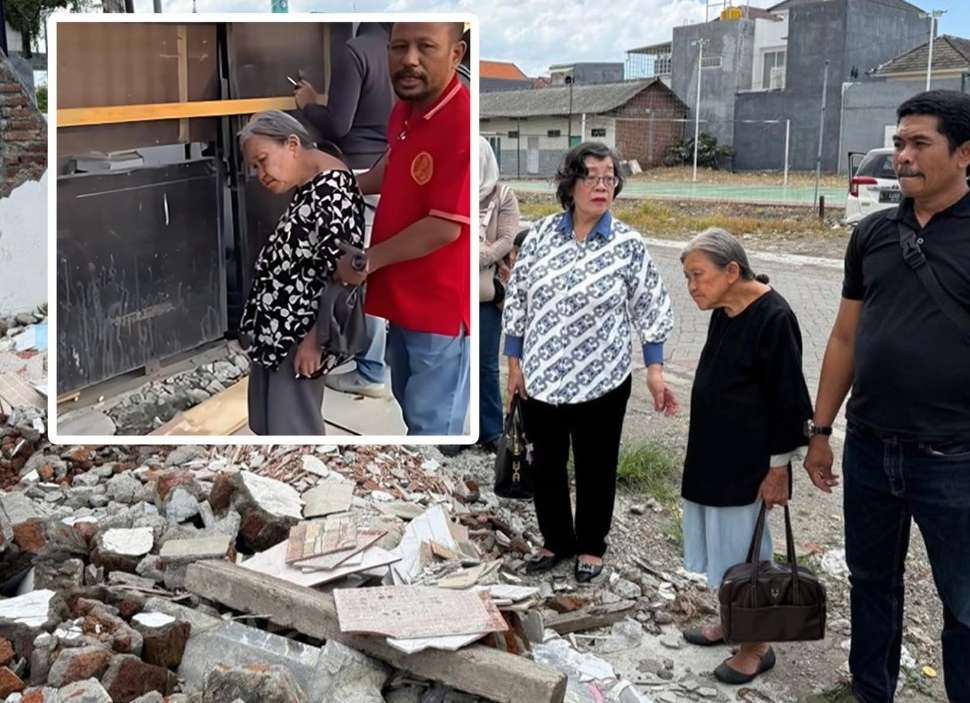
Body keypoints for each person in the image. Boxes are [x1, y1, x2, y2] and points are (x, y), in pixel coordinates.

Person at [802, 90, 970, 703]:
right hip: (870, 451)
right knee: (872, 584)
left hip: (955, 459)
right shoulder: (872, 234)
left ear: (965, 153)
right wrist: (822, 432)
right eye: (899, 143)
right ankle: (872, 692)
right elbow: (845, 335)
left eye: (919, 143)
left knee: (964, 602)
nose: (902, 156)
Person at [502, 142, 678, 583]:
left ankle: (591, 546)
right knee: (547, 464)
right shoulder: (541, 235)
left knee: (596, 465)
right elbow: (518, 300)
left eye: (609, 178)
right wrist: (514, 363)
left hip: (603, 377)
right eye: (592, 177)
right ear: (571, 183)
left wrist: (655, 369)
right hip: (542, 375)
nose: (602, 186)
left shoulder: (627, 245)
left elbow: (652, 307)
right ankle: (556, 540)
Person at [677, 228, 812, 685]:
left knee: (747, 553)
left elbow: (789, 400)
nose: (692, 286)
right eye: (688, 277)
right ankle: (733, 622)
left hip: (748, 464)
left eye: (698, 276)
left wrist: (779, 470)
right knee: (722, 549)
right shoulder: (726, 307)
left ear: (732, 271)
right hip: (713, 455)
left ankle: (757, 646)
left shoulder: (773, 317)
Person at [336, 22, 470, 436]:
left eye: (425, 46)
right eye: (399, 47)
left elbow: (444, 227)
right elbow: (393, 168)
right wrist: (341, 185)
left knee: (432, 428)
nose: (409, 59)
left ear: (455, 53)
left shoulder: (460, 120)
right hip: (401, 298)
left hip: (439, 309)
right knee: (410, 409)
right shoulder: (405, 110)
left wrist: (368, 260)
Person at [237, 110, 365, 435]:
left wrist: (315, 342)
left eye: (263, 160)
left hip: (297, 339)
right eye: (254, 167)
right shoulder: (309, 184)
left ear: (292, 144)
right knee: (270, 426)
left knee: (293, 431)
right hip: (278, 332)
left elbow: (342, 278)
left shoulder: (332, 192)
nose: (261, 173)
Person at [294, 22, 394, 399]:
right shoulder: (396, 51)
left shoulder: (355, 51)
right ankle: (372, 360)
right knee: (374, 269)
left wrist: (307, 104)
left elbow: (339, 123)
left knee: (356, 271)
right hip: (385, 173)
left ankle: (369, 371)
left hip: (355, 175)